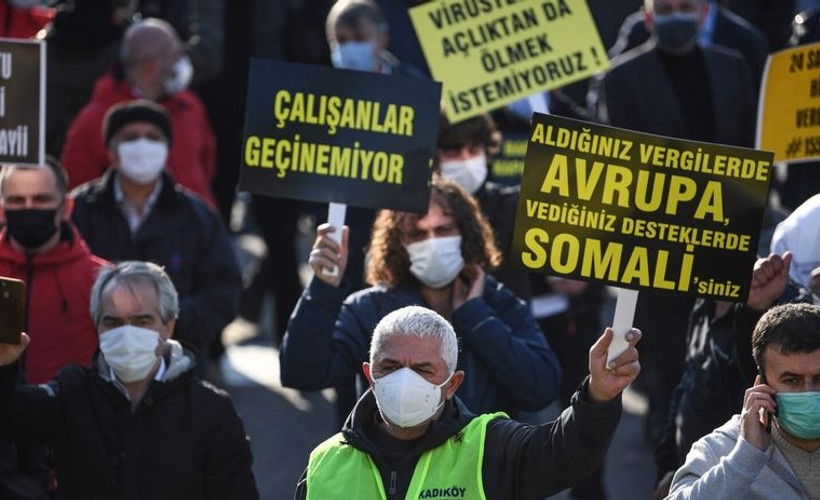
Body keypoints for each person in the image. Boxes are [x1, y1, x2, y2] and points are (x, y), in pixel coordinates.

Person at [591, 0, 758, 445]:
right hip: (657, 249)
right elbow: (621, 167)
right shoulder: (622, 77)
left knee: (730, 360)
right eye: (665, 8)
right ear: (648, 16)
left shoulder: (733, 67)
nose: (676, 15)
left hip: (725, 239)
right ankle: (669, 468)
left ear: (705, 12)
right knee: (667, 366)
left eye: (686, 6)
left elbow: (747, 151)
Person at [280, 176, 562, 424]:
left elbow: (540, 390)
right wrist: (323, 287)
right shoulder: (368, 310)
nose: (433, 242)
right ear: (398, 243)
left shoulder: (498, 302)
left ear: (465, 234)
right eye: (417, 233)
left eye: (443, 229)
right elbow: (302, 373)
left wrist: (476, 316)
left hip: (479, 472)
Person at [294, 305, 641, 498]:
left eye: (422, 369)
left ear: (452, 384)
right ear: (370, 375)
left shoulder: (488, 447)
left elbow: (564, 452)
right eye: (391, 366)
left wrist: (598, 396)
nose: (404, 380)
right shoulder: (324, 464)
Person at [0, 261, 258, 499]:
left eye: (141, 321)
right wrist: (3, 365)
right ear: (97, 326)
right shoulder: (72, 391)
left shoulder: (211, 411)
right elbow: (12, 416)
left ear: (168, 326)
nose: (126, 332)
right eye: (112, 322)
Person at [70, 100, 241, 377]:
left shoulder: (197, 217)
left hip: (176, 375)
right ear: (111, 149)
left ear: (167, 148)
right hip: (92, 371)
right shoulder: (78, 211)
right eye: (131, 137)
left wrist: (163, 321)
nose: (142, 145)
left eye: (152, 137)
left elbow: (224, 294)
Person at [667, 301, 820, 499]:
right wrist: (745, 458)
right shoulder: (721, 449)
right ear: (761, 383)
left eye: (819, 378)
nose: (808, 392)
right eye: (791, 380)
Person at [60, 17, 217, 206]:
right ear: (152, 67)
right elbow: (77, 193)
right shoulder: (94, 122)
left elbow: (208, 164)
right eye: (175, 56)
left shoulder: (190, 106)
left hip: (195, 229)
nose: (182, 64)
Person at [0, 159, 108, 384]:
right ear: (2, 210)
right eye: (17, 200)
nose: (28, 208)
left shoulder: (101, 280)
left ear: (66, 207)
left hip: (68, 414)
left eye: (41, 199)